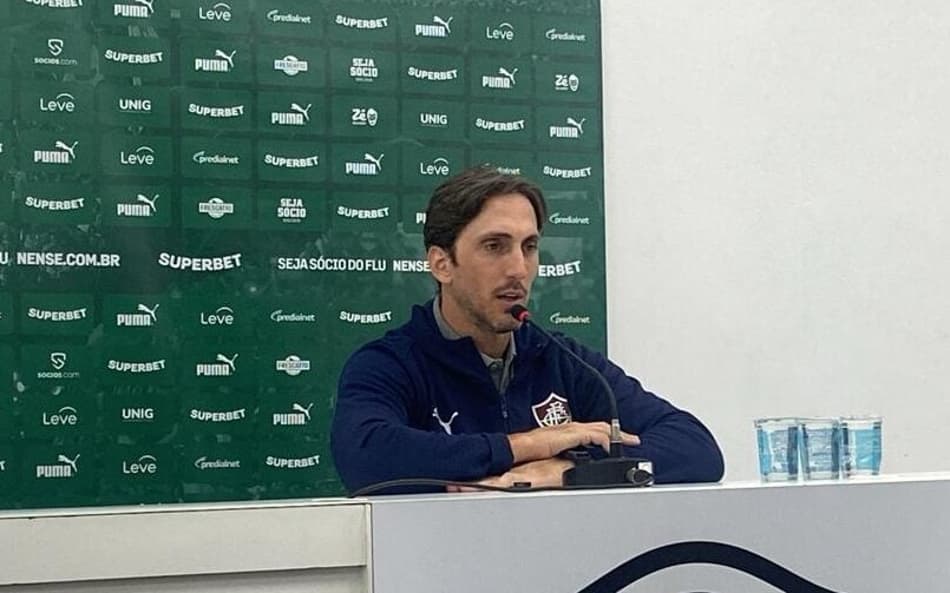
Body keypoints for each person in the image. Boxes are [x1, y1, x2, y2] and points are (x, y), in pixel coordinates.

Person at [330, 166, 724, 494]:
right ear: (441, 264)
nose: (518, 269)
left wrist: (568, 470)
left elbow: (696, 449)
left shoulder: (561, 359)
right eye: (494, 246)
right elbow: (366, 456)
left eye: (529, 247)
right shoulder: (390, 363)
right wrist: (525, 445)